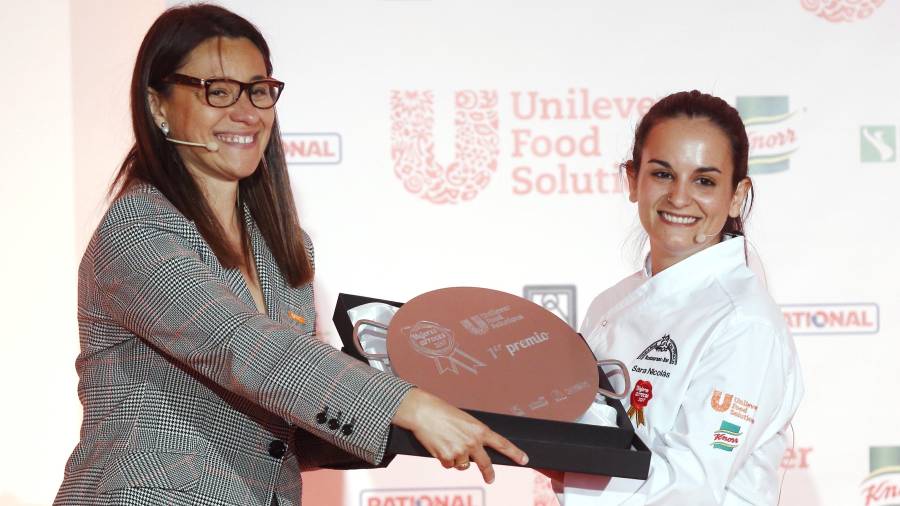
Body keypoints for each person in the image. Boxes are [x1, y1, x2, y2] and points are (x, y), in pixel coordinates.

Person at [54, 5, 526, 505]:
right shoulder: (139, 226)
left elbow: (278, 428)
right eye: (218, 91)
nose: (246, 112)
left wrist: (435, 407)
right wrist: (407, 405)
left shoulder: (285, 247)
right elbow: (242, 346)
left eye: (258, 90)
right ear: (158, 105)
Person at [560, 90, 803, 505]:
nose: (679, 197)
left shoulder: (744, 323)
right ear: (632, 181)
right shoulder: (609, 304)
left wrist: (559, 467)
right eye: (662, 174)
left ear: (736, 195)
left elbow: (689, 488)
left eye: (704, 181)